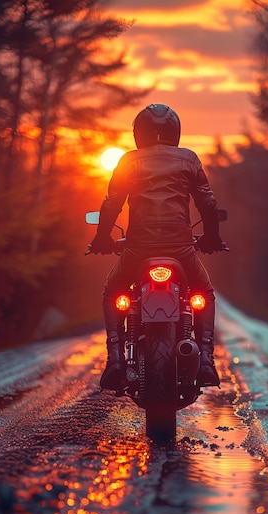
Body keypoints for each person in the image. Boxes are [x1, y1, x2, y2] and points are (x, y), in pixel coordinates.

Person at [88, 103, 224, 391]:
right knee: (205, 293)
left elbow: (112, 202)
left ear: (139, 132)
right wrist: (212, 237)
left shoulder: (128, 161)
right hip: (181, 248)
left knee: (113, 290)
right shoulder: (189, 159)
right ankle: (207, 361)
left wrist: (102, 239)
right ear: (174, 131)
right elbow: (207, 204)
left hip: (138, 248)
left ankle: (114, 360)